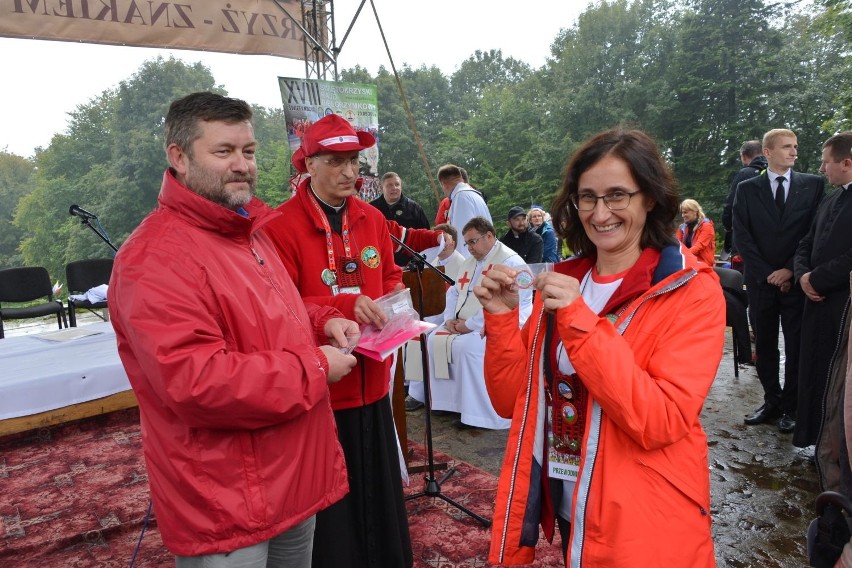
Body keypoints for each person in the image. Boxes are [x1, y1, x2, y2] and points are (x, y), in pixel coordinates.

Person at [108, 92, 358, 566]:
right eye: (223, 152)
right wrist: (314, 367)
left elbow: (269, 314)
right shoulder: (155, 257)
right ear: (178, 157)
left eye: (249, 151)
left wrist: (325, 321)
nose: (242, 164)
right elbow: (196, 382)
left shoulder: (249, 229)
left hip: (292, 478)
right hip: (225, 500)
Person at [473, 128, 724, 566]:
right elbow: (511, 401)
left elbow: (660, 420)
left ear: (650, 198)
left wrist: (578, 319)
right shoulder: (569, 281)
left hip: (646, 517)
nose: (600, 212)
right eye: (587, 197)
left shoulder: (691, 289)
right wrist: (500, 316)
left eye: (616, 195)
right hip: (576, 501)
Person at [263, 113, 413, 568]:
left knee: (378, 484)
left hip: (373, 376)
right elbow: (279, 304)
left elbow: (389, 274)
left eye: (354, 160)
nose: (350, 172)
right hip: (324, 385)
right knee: (333, 502)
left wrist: (394, 300)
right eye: (336, 161)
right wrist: (346, 309)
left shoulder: (371, 217)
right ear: (307, 164)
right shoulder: (279, 226)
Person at [733, 128, 825, 433]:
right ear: (768, 152)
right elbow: (742, 236)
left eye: (796, 147)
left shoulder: (813, 186)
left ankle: (792, 406)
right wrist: (768, 274)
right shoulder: (747, 189)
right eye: (787, 147)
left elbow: (814, 233)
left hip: (796, 281)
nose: (794, 152)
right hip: (760, 282)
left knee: (797, 345)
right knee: (766, 344)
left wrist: (789, 270)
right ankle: (772, 401)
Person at [407, 216, 533, 428]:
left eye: (473, 242)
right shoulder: (470, 262)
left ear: (490, 236)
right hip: (463, 322)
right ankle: (447, 403)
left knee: (468, 347)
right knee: (432, 338)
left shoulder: (511, 262)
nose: (469, 247)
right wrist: (449, 320)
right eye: (467, 243)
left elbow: (506, 303)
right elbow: (455, 292)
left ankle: (479, 415)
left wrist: (469, 326)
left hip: (503, 323)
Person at [795, 131, 852, 455]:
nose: (821, 168)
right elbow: (806, 241)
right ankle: (816, 442)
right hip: (815, 302)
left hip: (843, 305)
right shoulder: (830, 199)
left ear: (847, 163)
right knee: (813, 370)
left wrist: (818, 279)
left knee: (839, 379)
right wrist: (803, 276)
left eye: (826, 162)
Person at [369, 172, 430, 266]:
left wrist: (416, 260)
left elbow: (425, 236)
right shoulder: (371, 209)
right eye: (389, 185)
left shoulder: (414, 208)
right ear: (381, 188)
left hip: (410, 265)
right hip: (380, 265)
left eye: (397, 184)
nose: (394, 188)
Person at [722, 140, 767, 259]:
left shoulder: (745, 174)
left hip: (746, 237)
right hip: (771, 238)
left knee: (742, 274)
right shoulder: (775, 173)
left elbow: (731, 204)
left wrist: (727, 226)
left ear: (744, 155)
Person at [438, 163, 492, 256]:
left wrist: (463, 266)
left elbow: (462, 236)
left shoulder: (461, 198)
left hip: (473, 259)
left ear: (443, 184)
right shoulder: (473, 194)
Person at [676, 198, 716, 266]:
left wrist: (683, 256)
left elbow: (699, 246)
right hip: (687, 262)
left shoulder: (707, 226)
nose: (683, 215)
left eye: (685, 212)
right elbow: (676, 245)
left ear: (695, 211)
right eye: (682, 213)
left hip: (703, 264)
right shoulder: (682, 228)